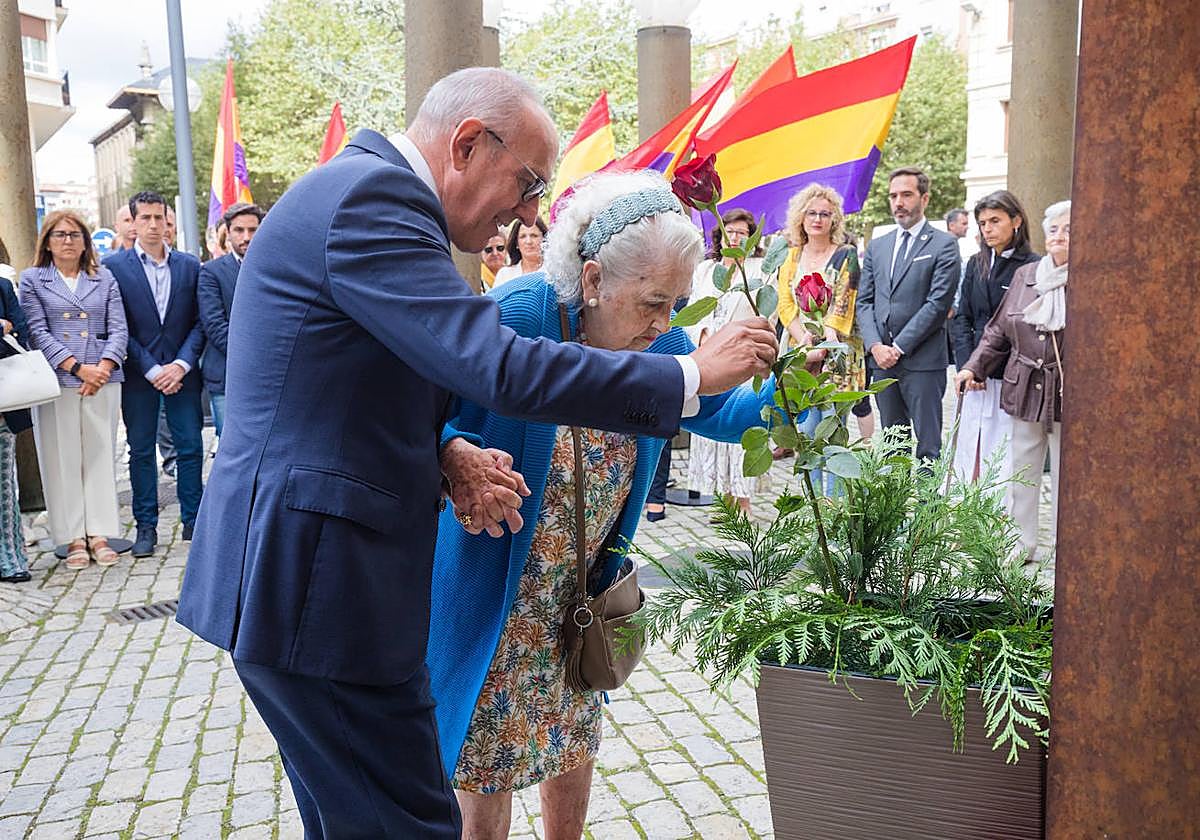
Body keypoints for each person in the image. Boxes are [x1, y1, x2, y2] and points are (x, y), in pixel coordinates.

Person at [174, 67, 777, 839]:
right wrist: (689, 373)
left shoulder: (364, 196)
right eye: (527, 183)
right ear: (466, 144)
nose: (528, 211)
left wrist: (447, 451)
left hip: (314, 583)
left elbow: (372, 389)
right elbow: (495, 367)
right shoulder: (373, 201)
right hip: (321, 586)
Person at [430, 171, 789, 840]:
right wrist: (457, 457)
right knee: (487, 760)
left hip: (582, 595)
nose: (666, 323)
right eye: (653, 302)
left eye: (677, 303)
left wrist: (784, 387)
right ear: (592, 280)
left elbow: (724, 413)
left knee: (573, 739)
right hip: (498, 592)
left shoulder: (661, 342)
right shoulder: (516, 316)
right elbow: (425, 410)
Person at [955, 201, 1070, 564]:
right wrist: (973, 367)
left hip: (1067, 391)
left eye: (1069, 229)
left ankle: (1069, 549)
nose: (1059, 236)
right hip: (1024, 387)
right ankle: (1022, 545)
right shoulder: (1027, 275)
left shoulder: (1090, 280)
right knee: (1021, 472)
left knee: (1069, 476)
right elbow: (997, 332)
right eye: (1054, 229)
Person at [20, 210, 128, 570]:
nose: (67, 241)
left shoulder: (103, 277)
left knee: (99, 455)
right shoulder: (33, 279)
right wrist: (78, 368)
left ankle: (99, 532)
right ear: (47, 242)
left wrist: (104, 367)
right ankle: (73, 536)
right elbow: (37, 331)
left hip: (102, 379)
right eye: (60, 235)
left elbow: (119, 327)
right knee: (61, 457)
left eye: (74, 234)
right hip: (60, 379)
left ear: (85, 241)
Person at [103, 191, 205, 558]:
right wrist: (151, 367)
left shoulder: (190, 266)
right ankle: (146, 526)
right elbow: (118, 325)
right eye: (144, 218)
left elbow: (200, 322)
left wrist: (180, 365)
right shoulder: (114, 268)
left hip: (183, 373)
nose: (152, 224)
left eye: (158, 217)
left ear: (167, 221)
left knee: (191, 447)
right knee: (141, 450)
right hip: (139, 374)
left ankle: (195, 521)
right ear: (132, 223)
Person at [856, 167, 960, 461]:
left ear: (924, 198)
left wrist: (898, 347)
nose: (898, 202)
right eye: (893, 196)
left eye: (906, 195)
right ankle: (895, 494)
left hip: (923, 361)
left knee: (928, 447)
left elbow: (937, 304)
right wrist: (875, 346)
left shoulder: (944, 244)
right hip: (881, 363)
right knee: (893, 446)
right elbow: (864, 301)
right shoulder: (878, 246)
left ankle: (928, 495)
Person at [776, 185, 870, 482]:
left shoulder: (846, 255)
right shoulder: (791, 257)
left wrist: (826, 340)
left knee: (833, 431)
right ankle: (814, 500)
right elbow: (785, 304)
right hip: (802, 352)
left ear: (834, 219)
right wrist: (803, 338)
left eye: (825, 214)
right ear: (801, 218)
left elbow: (844, 301)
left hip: (836, 352)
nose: (817, 219)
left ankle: (836, 500)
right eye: (812, 213)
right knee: (806, 431)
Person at [685, 208, 770, 516]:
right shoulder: (705, 270)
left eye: (742, 234)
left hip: (743, 359)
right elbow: (691, 311)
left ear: (751, 239)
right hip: (708, 356)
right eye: (729, 232)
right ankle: (723, 500)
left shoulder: (759, 271)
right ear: (720, 237)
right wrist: (703, 335)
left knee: (739, 425)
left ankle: (743, 499)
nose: (734, 238)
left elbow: (766, 314)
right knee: (714, 425)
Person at [950, 190, 1039, 482]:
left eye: (995, 221)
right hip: (973, 378)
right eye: (982, 223)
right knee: (968, 457)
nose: (987, 229)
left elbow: (1021, 328)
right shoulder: (976, 263)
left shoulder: (1032, 267)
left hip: (1008, 377)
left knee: (999, 460)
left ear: (1016, 221)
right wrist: (968, 366)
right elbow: (962, 318)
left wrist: (984, 366)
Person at [198, 202, 263, 437]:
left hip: (269, 376)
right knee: (231, 443)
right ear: (228, 231)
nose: (246, 237)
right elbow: (215, 325)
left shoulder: (276, 268)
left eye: (252, 230)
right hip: (227, 375)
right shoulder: (211, 272)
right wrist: (253, 356)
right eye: (239, 230)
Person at [0, 277, 32, 584]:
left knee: (3, 486)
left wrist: (7, 329)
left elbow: (23, 333)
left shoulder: (2, 287)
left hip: (4, 403)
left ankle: (10, 559)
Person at [492, 216, 546, 287]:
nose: (528, 241)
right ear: (516, 243)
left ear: (544, 239)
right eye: (523, 236)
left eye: (534, 236)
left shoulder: (552, 273)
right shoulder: (505, 275)